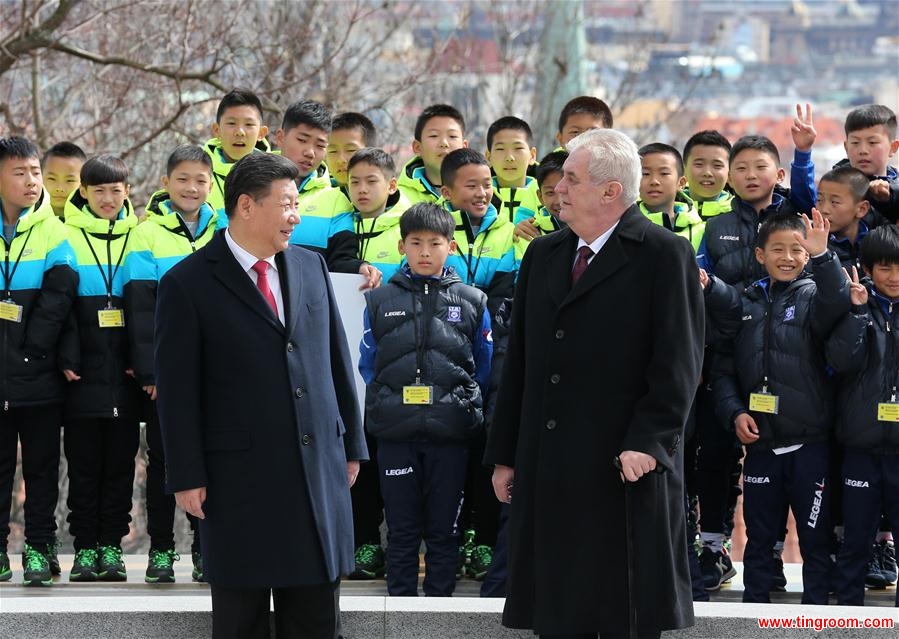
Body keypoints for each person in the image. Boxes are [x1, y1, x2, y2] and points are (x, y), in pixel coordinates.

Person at [485, 128, 703, 638]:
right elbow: (520, 362)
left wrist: (649, 442)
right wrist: (506, 453)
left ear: (611, 191)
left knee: (623, 612)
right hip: (551, 465)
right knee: (559, 613)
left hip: (624, 466)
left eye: (572, 179)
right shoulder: (544, 255)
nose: (558, 187)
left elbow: (680, 362)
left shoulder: (663, 254)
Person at [155, 152, 367, 639]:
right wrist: (186, 474)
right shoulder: (187, 284)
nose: (296, 215)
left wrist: (351, 445)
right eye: (287, 204)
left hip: (315, 470)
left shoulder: (310, 266)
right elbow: (178, 392)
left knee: (316, 618)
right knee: (241, 620)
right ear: (246, 206)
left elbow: (336, 360)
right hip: (237, 481)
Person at [703, 210, 850, 604]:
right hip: (762, 445)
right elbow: (724, 370)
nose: (788, 257)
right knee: (759, 537)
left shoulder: (815, 295)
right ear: (759, 255)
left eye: (797, 250)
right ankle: (754, 613)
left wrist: (824, 259)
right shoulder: (745, 303)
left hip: (811, 444)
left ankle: (816, 618)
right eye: (778, 249)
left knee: (815, 539)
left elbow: (837, 303)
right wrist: (735, 412)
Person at [359, 202, 493, 596]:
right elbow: (368, 363)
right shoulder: (378, 299)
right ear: (401, 246)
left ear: (450, 247)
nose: (424, 252)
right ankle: (399, 609)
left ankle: (440, 609)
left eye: (434, 243)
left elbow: (482, 367)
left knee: (443, 530)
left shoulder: (473, 300)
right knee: (400, 530)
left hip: (450, 432)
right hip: (395, 432)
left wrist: (459, 400)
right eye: (415, 243)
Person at [123, 145, 222, 583]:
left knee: (214, 461)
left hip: (218, 373)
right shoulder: (147, 234)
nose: (192, 188)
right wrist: (151, 372)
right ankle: (161, 550)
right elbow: (142, 310)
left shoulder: (226, 230)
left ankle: (207, 550)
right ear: (166, 183)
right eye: (183, 179)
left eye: (201, 180)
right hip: (169, 373)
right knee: (164, 461)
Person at [0, 137, 78, 586]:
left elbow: (58, 298)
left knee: (42, 469)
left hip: (40, 374)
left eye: (34, 172)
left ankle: (39, 548)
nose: (31, 181)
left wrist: (31, 351)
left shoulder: (53, 231)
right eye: (20, 173)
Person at [60, 154, 140, 582]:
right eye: (99, 191)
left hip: (125, 375)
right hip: (82, 375)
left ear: (127, 191)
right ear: (84, 192)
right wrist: (68, 356)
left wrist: (139, 360)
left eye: (116, 190)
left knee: (121, 465)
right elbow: (60, 306)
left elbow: (146, 308)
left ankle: (111, 545)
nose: (108, 199)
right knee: (84, 465)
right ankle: (84, 548)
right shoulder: (66, 236)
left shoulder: (141, 236)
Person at [344, 147, 408, 579]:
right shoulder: (335, 221)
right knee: (356, 457)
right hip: (348, 365)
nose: (362, 190)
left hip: (397, 362)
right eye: (354, 182)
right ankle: (363, 541)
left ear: (392, 185)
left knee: (391, 455)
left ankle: (396, 544)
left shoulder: (411, 224)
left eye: (372, 181)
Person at [828, 224, 899, 607]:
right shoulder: (855, 305)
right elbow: (840, 361)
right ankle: (848, 619)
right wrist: (856, 312)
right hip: (860, 445)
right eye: (885, 268)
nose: (895, 277)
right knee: (855, 539)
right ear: (868, 268)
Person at [275, 100, 378, 287]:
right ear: (280, 137)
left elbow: (340, 260)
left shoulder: (337, 200)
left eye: (320, 145)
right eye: (302, 140)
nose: (310, 152)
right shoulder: (252, 184)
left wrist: (359, 268)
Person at [203, 88, 271, 216]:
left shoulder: (275, 176)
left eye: (249, 124)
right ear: (216, 130)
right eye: (232, 123)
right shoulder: (197, 172)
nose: (240, 131)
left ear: (261, 133)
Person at [637, 143, 704, 252]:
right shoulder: (623, 226)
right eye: (645, 173)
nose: (654, 181)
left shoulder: (702, 230)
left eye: (664, 173)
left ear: (681, 183)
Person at [397, 104, 468, 206]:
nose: (444, 143)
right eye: (434, 135)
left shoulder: (482, 194)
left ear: (464, 147)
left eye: (452, 136)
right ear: (417, 147)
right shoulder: (398, 199)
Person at [485, 116, 541, 224]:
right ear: (488, 156)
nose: (509, 157)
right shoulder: (478, 196)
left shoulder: (546, 196)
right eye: (500, 149)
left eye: (518, 148)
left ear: (532, 155)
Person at [817, 166, 872, 272]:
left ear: (861, 209)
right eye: (819, 200)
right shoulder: (813, 249)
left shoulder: (876, 244)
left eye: (835, 202)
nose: (824, 210)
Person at [681, 130, 733, 221]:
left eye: (717, 165)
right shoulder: (665, 210)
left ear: (729, 174)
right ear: (684, 169)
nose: (707, 173)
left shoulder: (741, 215)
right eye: (699, 164)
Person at [326, 112, 377, 192]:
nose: (341, 160)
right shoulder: (312, 199)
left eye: (351, 150)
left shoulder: (392, 200)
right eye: (333, 151)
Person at [41, 142, 86, 220]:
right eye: (52, 179)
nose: (60, 188)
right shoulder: (23, 219)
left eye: (69, 180)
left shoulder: (95, 220)